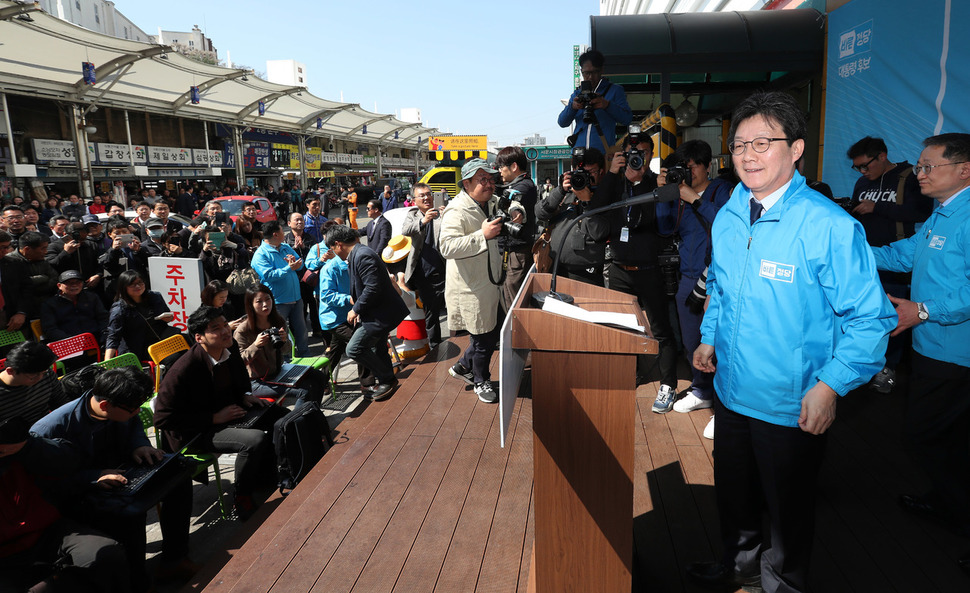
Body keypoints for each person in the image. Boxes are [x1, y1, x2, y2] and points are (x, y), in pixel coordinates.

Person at [688, 91, 896, 593]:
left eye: (763, 143)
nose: (748, 155)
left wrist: (830, 386)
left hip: (789, 404)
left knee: (787, 512)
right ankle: (738, 566)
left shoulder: (830, 225)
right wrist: (709, 337)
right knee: (734, 497)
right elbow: (719, 282)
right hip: (733, 393)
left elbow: (872, 320)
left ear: (797, 148)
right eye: (739, 144)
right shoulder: (731, 212)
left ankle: (782, 584)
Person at [870, 133, 970, 541]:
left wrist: (923, 310)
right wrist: (845, 249)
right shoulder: (943, 212)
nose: (919, 175)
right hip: (930, 347)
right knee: (951, 441)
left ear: (964, 170)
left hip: (955, 355)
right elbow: (905, 252)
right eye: (919, 167)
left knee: (922, 437)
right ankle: (947, 504)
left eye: (929, 168)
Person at [30, 367, 195, 591]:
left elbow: (133, 423)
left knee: (178, 479)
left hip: (121, 473)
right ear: (106, 405)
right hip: (79, 493)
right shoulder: (50, 429)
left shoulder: (120, 406)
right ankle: (138, 582)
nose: (138, 412)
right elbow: (45, 484)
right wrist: (92, 478)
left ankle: (174, 560)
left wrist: (140, 445)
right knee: (131, 514)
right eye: (133, 408)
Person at [153, 305, 285, 520]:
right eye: (216, 328)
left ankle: (271, 477)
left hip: (225, 415)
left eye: (225, 325)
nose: (225, 331)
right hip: (195, 431)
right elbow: (162, 418)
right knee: (254, 439)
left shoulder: (228, 351)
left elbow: (241, 382)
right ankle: (241, 498)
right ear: (199, 337)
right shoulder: (183, 369)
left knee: (278, 414)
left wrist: (244, 396)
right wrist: (213, 418)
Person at [846, 135, 934, 393]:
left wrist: (878, 208)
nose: (862, 171)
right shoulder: (862, 182)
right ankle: (861, 364)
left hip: (898, 264)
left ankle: (889, 369)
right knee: (864, 314)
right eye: (858, 167)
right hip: (867, 258)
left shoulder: (908, 177)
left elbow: (921, 213)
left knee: (894, 316)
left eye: (866, 165)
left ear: (882, 156)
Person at [600, 132, 680, 406]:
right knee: (620, 329)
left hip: (649, 269)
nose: (638, 158)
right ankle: (627, 374)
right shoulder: (614, 182)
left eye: (644, 152)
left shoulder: (656, 183)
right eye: (632, 153)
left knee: (660, 330)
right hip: (619, 269)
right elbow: (596, 210)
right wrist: (612, 174)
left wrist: (661, 192)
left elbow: (667, 225)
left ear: (651, 155)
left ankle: (668, 384)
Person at [0, 425, 130, 593]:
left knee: (107, 554)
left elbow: (68, 461)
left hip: (47, 532)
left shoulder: (11, 444)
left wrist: (27, 446)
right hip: (4, 556)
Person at [656, 140, 734, 419]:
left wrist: (696, 199)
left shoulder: (721, 191)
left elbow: (727, 226)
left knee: (721, 344)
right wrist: (668, 194)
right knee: (692, 341)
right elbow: (665, 228)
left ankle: (723, 405)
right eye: (683, 168)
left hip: (716, 280)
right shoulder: (678, 197)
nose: (688, 173)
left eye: (693, 167)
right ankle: (701, 391)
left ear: (707, 166)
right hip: (687, 279)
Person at [439, 159, 504, 404]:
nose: (489, 184)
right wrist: (481, 236)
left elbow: (511, 203)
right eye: (482, 180)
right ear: (466, 184)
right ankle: (480, 380)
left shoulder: (492, 202)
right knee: (482, 337)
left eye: (491, 179)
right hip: (472, 287)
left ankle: (462, 366)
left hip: (490, 281)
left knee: (490, 331)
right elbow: (446, 246)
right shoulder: (457, 210)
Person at [325, 225, 407, 401]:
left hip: (381, 314)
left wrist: (355, 310)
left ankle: (387, 378)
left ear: (338, 244)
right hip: (377, 313)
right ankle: (387, 383)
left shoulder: (363, 255)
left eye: (333, 249)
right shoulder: (359, 254)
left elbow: (372, 288)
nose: (334, 253)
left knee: (354, 348)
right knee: (378, 348)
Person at [233, 284, 330, 405]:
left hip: (279, 371)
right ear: (250, 305)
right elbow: (238, 363)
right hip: (256, 381)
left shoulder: (278, 321)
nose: (265, 304)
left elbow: (286, 350)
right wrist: (255, 346)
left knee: (319, 376)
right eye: (259, 301)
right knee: (303, 391)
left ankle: (312, 416)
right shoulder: (243, 331)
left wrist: (284, 341)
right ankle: (296, 422)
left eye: (268, 299)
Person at [535, 147, 611, 285]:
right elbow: (540, 213)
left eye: (591, 172)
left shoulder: (605, 196)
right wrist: (560, 191)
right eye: (580, 172)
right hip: (556, 268)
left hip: (587, 275)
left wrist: (587, 202)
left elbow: (599, 232)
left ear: (600, 172)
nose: (585, 177)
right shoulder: (567, 193)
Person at [251, 220, 310, 358]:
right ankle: (285, 361)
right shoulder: (260, 254)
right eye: (282, 231)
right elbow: (268, 275)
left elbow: (299, 265)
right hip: (278, 301)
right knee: (281, 333)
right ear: (275, 234)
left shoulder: (284, 247)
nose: (285, 233)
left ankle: (305, 357)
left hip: (296, 298)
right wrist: (288, 268)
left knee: (301, 331)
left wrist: (296, 263)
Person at [557, 48, 632, 154]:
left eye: (594, 72)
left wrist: (607, 105)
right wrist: (572, 107)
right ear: (581, 71)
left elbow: (627, 119)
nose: (590, 77)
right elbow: (562, 122)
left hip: (602, 153)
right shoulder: (577, 94)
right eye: (586, 73)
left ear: (602, 70)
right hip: (579, 153)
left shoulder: (615, 90)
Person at [401, 183, 446, 347]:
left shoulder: (442, 213)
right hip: (423, 273)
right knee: (431, 312)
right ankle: (435, 346)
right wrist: (423, 221)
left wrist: (445, 215)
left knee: (454, 308)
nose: (426, 198)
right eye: (422, 195)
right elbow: (405, 230)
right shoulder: (413, 214)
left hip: (445, 269)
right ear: (414, 200)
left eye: (429, 194)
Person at [495, 146, 538, 310]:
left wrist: (514, 211)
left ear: (513, 166)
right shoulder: (517, 183)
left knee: (514, 297)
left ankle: (515, 332)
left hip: (516, 251)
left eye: (501, 167)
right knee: (507, 293)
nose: (499, 171)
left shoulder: (524, 185)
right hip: (510, 249)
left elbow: (513, 200)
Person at [104, 270, 177, 361]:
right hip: (137, 349)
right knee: (172, 358)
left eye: (140, 283)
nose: (138, 286)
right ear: (124, 287)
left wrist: (168, 318)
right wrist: (107, 361)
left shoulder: (155, 296)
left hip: (161, 341)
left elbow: (168, 314)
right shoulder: (119, 309)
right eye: (132, 284)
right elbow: (113, 336)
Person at [0, 341, 69, 426]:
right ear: (10, 371)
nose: (40, 378)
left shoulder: (45, 373)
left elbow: (61, 402)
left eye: (43, 373)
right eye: (33, 376)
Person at [40, 270, 109, 342]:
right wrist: (72, 341)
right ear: (59, 286)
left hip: (97, 339)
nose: (74, 285)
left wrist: (104, 335)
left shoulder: (92, 297)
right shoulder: (49, 304)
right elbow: (50, 329)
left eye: (78, 282)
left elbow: (103, 318)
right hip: (69, 344)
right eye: (69, 283)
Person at [6, 231, 58, 320]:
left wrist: (38, 288)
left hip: (45, 308)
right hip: (19, 314)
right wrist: (42, 278)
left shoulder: (42, 260)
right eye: (43, 248)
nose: (45, 252)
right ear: (27, 249)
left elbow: (54, 278)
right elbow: (16, 286)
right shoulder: (8, 263)